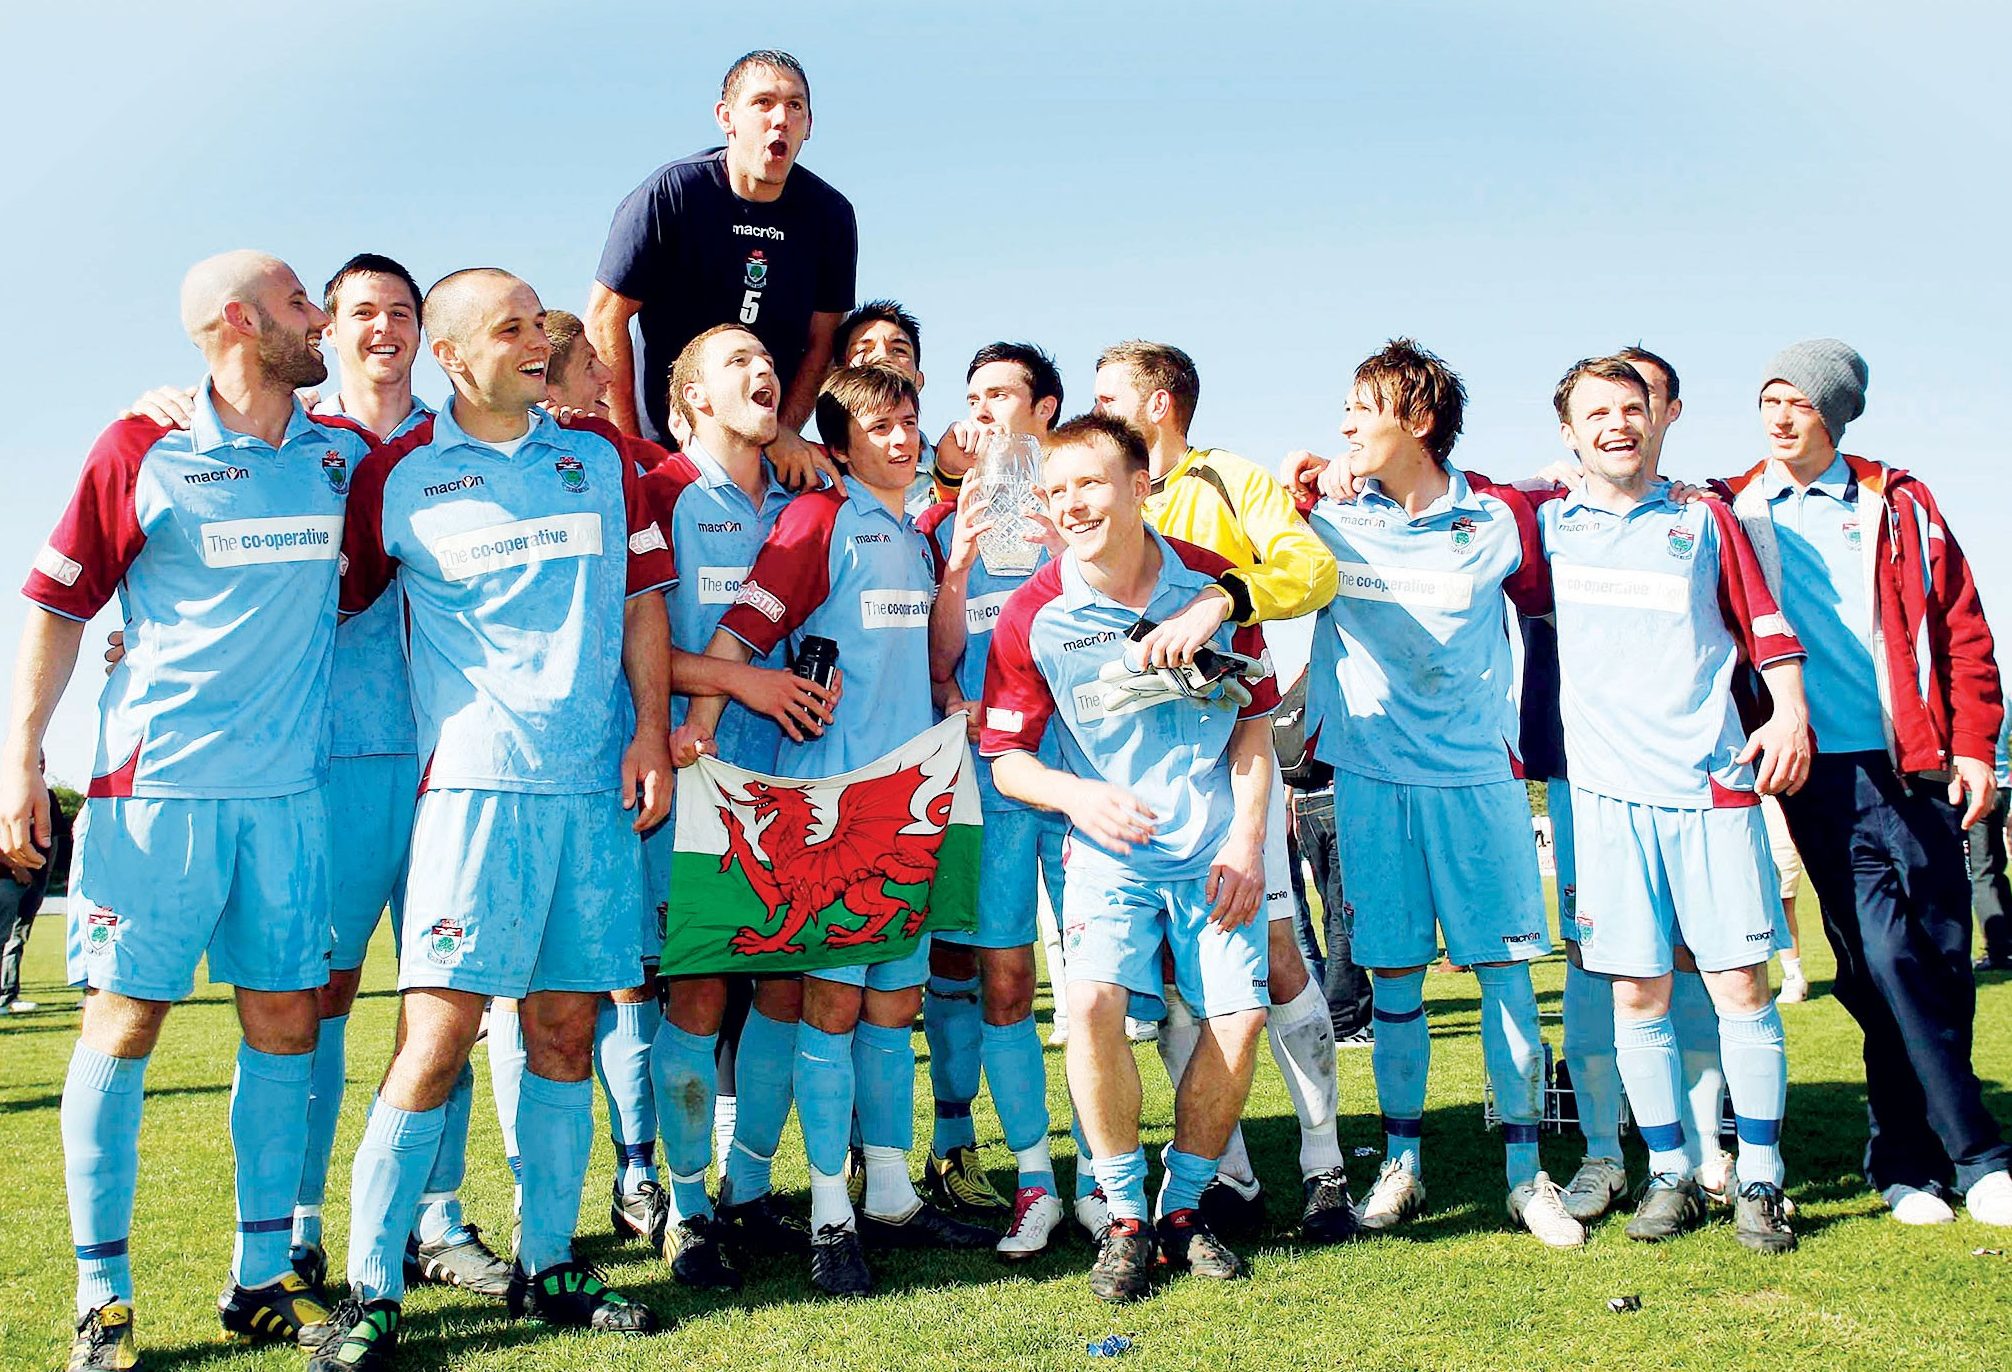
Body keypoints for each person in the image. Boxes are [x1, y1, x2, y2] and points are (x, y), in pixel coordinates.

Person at [109, 255, 514, 1296]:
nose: (385, 328)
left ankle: (436, 1217)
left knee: (449, 995)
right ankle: (297, 1225)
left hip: (451, 759)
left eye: (403, 312)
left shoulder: (462, 440)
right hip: (320, 762)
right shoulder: (294, 441)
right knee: (311, 997)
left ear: (428, 333)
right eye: (360, 311)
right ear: (325, 330)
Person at [0, 251, 375, 1370]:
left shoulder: (338, 456)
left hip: (289, 799)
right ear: (239, 322)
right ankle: (102, 1298)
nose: (320, 321)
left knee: (286, 1026)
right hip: (155, 793)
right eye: (301, 303)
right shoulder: (138, 444)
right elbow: (60, 606)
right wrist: (21, 758)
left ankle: (259, 1282)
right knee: (124, 1024)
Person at [308, 268, 675, 1371]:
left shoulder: (600, 457)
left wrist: (650, 732)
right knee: (437, 1036)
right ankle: (371, 1288)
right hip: (472, 793)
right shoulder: (395, 477)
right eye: (509, 327)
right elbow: (314, 602)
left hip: (591, 791)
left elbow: (642, 604)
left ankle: (548, 1262)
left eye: (536, 322)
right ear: (454, 355)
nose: (535, 339)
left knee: (564, 1032)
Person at [680, 363, 993, 1298]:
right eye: (881, 426)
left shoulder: (918, 536)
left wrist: (959, 589)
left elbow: (931, 663)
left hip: (914, 803)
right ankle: (827, 1216)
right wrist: (706, 726)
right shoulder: (818, 519)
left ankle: (889, 1195)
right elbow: (739, 639)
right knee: (831, 1010)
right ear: (841, 444)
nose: (902, 439)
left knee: (893, 1009)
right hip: (830, 810)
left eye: (910, 422)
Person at [982, 412, 1279, 1301]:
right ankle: (1122, 1218)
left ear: (1140, 487)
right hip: (1109, 854)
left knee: (1239, 1020)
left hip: (1215, 850)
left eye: (1090, 483)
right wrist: (1077, 796)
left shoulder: (1214, 587)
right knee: (1091, 1004)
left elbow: (1256, 724)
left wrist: (1247, 842)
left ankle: (1181, 1212)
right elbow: (1007, 760)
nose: (1072, 504)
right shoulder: (1034, 613)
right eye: (1057, 490)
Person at [1716, 339, 2012, 1228]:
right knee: (1880, 957)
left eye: (1800, 402)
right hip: (1817, 773)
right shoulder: (1733, 510)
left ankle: (1905, 1161)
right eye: (1770, 399)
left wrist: (1975, 748)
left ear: (1836, 415)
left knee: (1939, 959)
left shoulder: (1903, 504)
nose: (1780, 417)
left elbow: (1963, 632)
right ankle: (1978, 1154)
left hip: (1919, 762)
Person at [1296, 340, 1574, 1247]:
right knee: (1394, 981)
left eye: (1361, 407)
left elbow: (1571, 522)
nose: (1344, 423)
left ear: (1417, 420)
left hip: (1477, 781)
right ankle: (1403, 1165)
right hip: (1372, 780)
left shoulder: (1498, 518)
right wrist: (1305, 480)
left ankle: (1527, 1176)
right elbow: (1257, 525)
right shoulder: (1326, 517)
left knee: (1505, 975)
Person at [1544, 355, 1811, 1253]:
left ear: (1659, 417)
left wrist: (1789, 714)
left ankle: (1760, 1178)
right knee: (1637, 991)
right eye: (1596, 413)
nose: (1617, 424)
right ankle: (1668, 1173)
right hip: (1607, 800)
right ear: (1569, 434)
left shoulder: (1705, 519)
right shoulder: (1547, 526)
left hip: (1709, 787)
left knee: (1739, 983)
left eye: (1631, 407)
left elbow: (1766, 629)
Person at [1090, 341, 1351, 1244]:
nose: (1095, 412)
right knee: (1171, 980)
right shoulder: (1100, 495)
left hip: (1234, 760)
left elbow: (1311, 570)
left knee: (1276, 959)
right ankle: (1226, 1175)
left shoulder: (1228, 477)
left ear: (1159, 403)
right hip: (1137, 776)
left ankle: (1325, 1168)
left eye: (1109, 398)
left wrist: (1222, 599)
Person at [646, 324, 844, 1287]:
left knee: (785, 989)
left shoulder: (807, 500)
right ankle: (686, 1211)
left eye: (768, 361)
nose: (764, 370)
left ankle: (749, 1191)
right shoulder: (660, 492)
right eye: (737, 362)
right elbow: (631, 647)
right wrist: (743, 683)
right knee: (697, 993)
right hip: (696, 779)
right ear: (691, 398)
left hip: (793, 782)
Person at [918, 343, 1069, 1255]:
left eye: (1000, 394)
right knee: (1003, 981)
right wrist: (958, 569)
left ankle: (1123, 1178)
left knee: (1109, 985)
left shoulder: (1083, 503)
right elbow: (938, 663)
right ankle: (1034, 1178)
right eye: (971, 396)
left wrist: (1065, 552)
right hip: (993, 785)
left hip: (1082, 783)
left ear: (1045, 409)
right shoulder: (950, 521)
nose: (981, 409)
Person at [589, 48, 855, 479]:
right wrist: (629, 447)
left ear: (809, 125)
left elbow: (822, 341)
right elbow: (605, 318)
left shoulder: (830, 215)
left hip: (762, 453)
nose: (781, 118)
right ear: (726, 117)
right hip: (664, 448)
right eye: (763, 102)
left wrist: (783, 430)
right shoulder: (671, 194)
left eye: (795, 106)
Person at [1273, 670, 1372, 1044]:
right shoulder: (1348, 680)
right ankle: (1345, 1019)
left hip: (1305, 805)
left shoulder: (1303, 684)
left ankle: (1337, 1007)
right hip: (1340, 800)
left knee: (1330, 914)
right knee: (1346, 917)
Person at [0, 771, 68, 1012]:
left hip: (35, 882)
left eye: (42, 760)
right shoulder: (5, 793)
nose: (38, 765)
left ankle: (8, 994)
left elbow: (55, 839)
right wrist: (16, 867)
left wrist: (45, 877)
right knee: (4, 938)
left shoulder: (47, 796)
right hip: (7, 880)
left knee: (18, 937)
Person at [1965, 718, 2012, 971]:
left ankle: (1998, 949)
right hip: (2002, 786)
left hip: (1977, 786)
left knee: (1981, 872)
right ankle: (2007, 941)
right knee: (1996, 868)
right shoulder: (2006, 698)